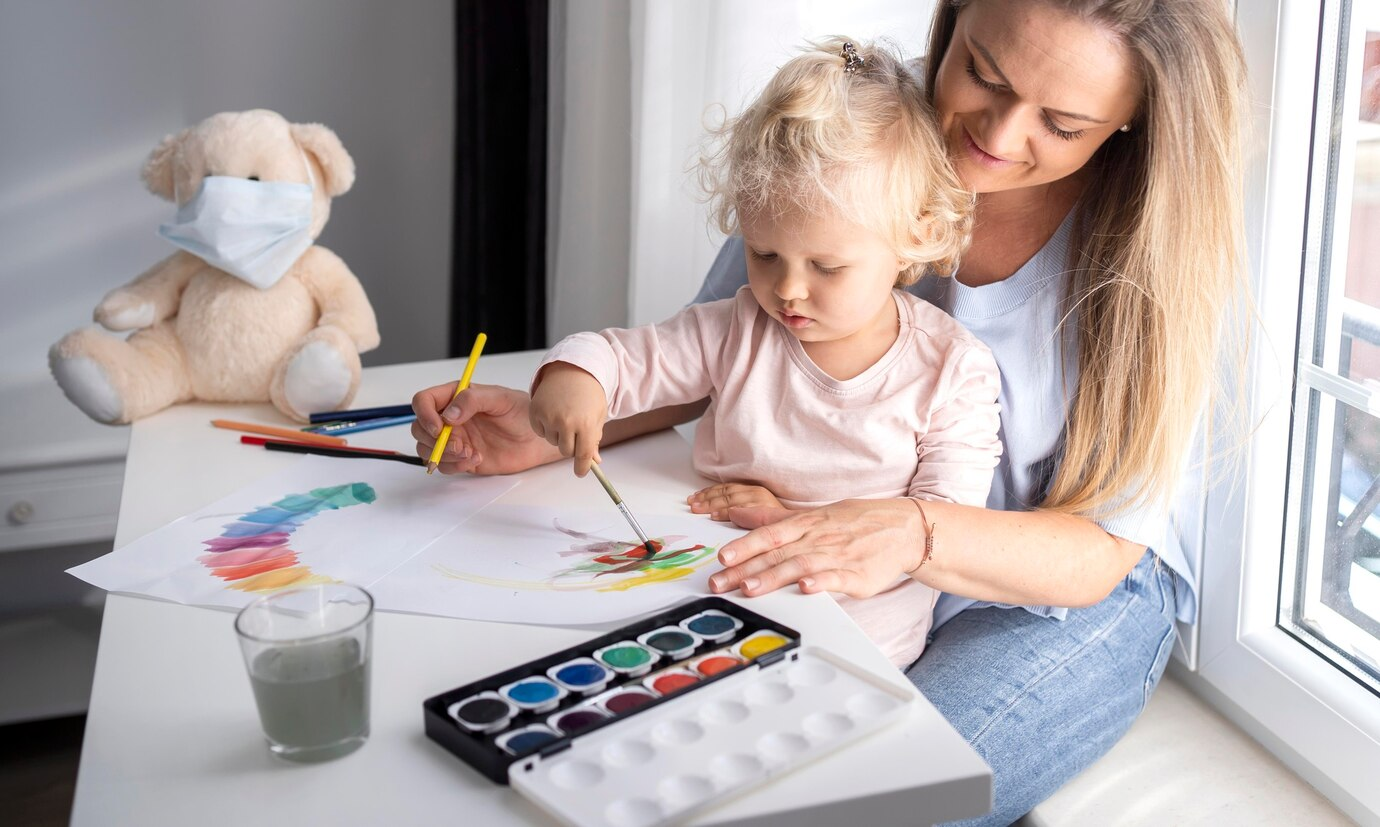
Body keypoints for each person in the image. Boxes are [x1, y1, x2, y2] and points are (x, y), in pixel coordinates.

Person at [411, 0, 1248, 823]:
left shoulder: (1151, 246)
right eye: (982, 73)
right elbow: (724, 356)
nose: (995, 134)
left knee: (882, 799)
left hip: (1062, 577)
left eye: (1061, 124)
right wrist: (548, 426)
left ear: (1133, 120)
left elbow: (1098, 552)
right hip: (869, 536)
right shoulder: (858, 128)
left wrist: (911, 531)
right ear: (953, 21)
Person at [529, 38, 1002, 668]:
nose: (788, 290)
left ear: (917, 235)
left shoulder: (952, 371)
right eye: (764, 254)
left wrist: (782, 519)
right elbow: (626, 357)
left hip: (856, 642)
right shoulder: (739, 328)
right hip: (712, 603)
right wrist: (575, 375)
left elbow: (943, 526)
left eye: (827, 266)